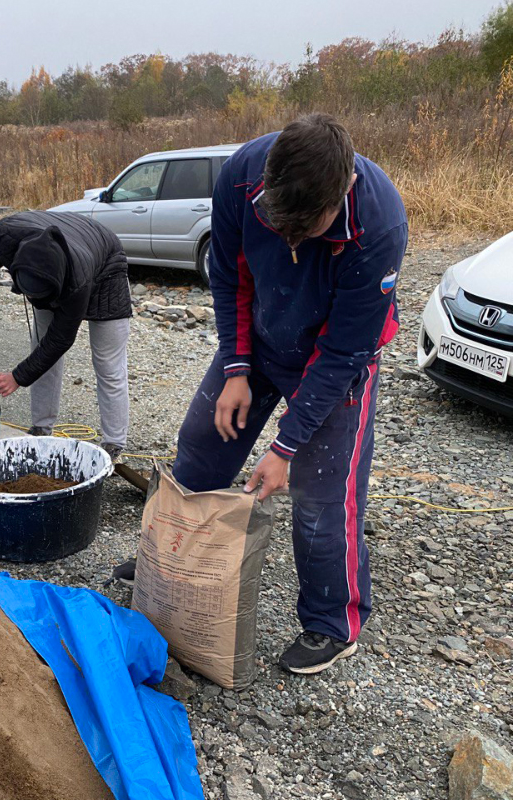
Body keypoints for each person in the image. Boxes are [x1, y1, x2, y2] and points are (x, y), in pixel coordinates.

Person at [172, 113, 407, 675]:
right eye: (279, 222)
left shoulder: (379, 225)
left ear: (343, 188)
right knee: (202, 440)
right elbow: (228, 276)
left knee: (320, 498)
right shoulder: (239, 176)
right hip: (259, 339)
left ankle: (333, 621)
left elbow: (346, 352)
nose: (288, 237)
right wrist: (235, 367)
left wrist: (284, 448)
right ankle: (173, 558)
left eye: (306, 228)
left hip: (332, 359)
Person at [0, 210, 131, 460]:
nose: (37, 303)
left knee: (108, 364)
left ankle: (114, 442)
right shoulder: (4, 236)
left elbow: (61, 339)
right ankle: (41, 428)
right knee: (41, 353)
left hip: (106, 264)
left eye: (42, 298)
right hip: (67, 252)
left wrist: (18, 377)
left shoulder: (78, 278)